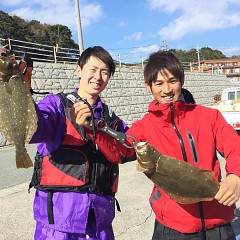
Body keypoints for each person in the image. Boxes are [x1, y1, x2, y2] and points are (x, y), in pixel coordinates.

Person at [126, 51, 240, 239]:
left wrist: (235, 175)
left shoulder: (209, 116)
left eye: (172, 81)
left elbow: (235, 145)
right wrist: (93, 129)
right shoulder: (144, 126)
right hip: (172, 227)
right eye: (159, 83)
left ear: (182, 80)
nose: (167, 89)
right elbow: (119, 149)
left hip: (217, 225)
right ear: (148, 86)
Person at [28, 46, 136, 240]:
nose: (98, 77)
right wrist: (21, 95)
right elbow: (35, 128)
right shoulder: (56, 104)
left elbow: (128, 150)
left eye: (105, 72)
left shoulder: (111, 118)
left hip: (99, 222)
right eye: (92, 70)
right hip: (58, 223)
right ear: (79, 70)